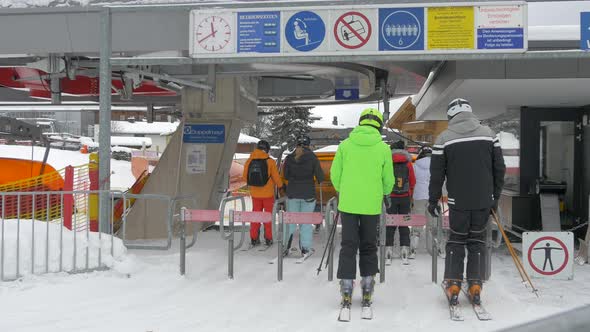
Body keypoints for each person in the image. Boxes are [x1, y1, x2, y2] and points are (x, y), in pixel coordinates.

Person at [428, 98, 506, 306]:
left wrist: (433, 200)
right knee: (477, 241)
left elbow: (436, 175)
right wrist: (494, 197)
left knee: (456, 240)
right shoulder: (489, 135)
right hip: (483, 201)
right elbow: (500, 169)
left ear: (450, 115)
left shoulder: (444, 138)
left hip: (458, 201)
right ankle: (475, 285)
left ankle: (453, 283)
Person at [331, 108, 394, 313]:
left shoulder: (345, 146)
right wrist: (384, 193)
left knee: (348, 245)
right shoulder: (383, 148)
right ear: (378, 125)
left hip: (348, 204)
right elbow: (388, 180)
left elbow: (335, 174)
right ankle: (367, 285)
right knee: (368, 245)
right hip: (370, 206)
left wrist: (345, 190)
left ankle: (347, 286)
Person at [282, 135, 325, 257]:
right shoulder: (312, 157)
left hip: (292, 194)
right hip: (308, 195)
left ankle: (285, 246)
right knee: (305, 222)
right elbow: (320, 177)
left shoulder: (289, 158)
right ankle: (305, 249)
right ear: (308, 144)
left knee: (290, 221)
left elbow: (285, 175)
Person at [243, 140, 284, 247]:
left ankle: (254, 238)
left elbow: (244, 177)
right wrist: (281, 187)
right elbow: (276, 177)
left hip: (255, 194)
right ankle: (268, 238)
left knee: (255, 215)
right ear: (267, 149)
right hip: (268, 194)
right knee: (268, 216)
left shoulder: (249, 160)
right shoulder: (270, 161)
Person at [385, 140, 416, 265]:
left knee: (390, 224)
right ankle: (404, 249)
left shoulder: (388, 162)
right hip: (405, 197)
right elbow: (413, 181)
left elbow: (385, 179)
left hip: (391, 197)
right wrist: (410, 193)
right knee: (404, 223)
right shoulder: (408, 163)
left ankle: (388, 250)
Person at [411, 146, 433, 257]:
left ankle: (413, 248)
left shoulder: (415, 165)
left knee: (417, 221)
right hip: (432, 196)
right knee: (432, 222)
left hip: (418, 195)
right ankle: (433, 248)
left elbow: (412, 181)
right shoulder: (436, 165)